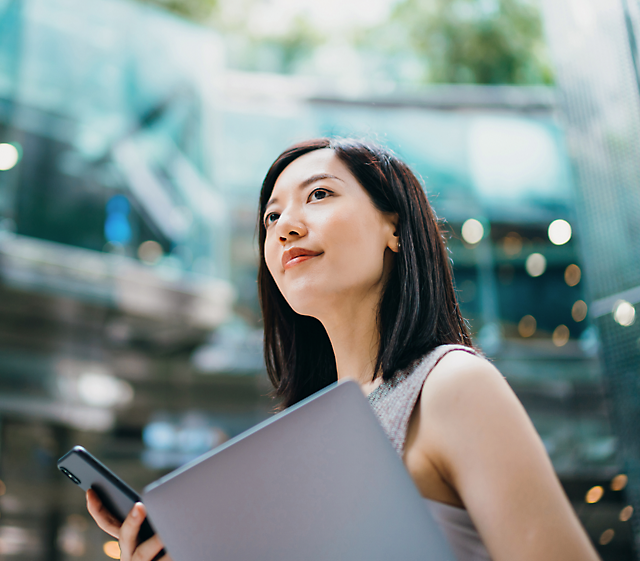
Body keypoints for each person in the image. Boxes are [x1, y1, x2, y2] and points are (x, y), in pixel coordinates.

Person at [88, 137, 600, 561]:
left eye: (318, 196)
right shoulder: (300, 444)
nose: (285, 226)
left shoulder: (451, 384)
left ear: (394, 228)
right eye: (270, 218)